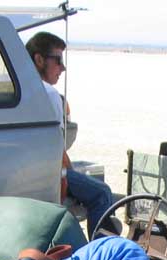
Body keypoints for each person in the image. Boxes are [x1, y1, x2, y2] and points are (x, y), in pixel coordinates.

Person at [25, 32, 113, 238]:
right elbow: (55, 148)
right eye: (58, 60)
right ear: (38, 60)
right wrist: (63, 183)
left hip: (18, 171)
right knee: (102, 193)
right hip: (45, 173)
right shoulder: (48, 93)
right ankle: (99, 254)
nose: (62, 68)